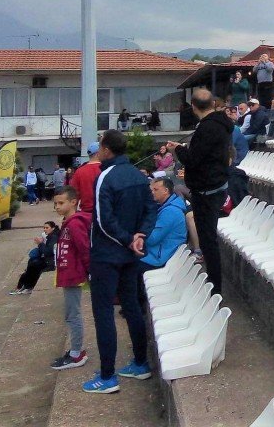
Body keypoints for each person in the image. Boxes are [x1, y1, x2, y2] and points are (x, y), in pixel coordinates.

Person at [81, 130, 157, 393]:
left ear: (106, 149)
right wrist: (141, 236)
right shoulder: (138, 175)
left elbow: (103, 220)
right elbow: (150, 209)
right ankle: (140, 363)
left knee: (103, 312)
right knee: (132, 305)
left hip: (107, 255)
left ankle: (107, 376)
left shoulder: (105, 177)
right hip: (131, 254)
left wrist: (128, 239)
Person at [169, 89, 233, 296]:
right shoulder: (222, 124)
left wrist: (177, 150)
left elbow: (193, 160)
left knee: (207, 240)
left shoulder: (207, 128)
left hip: (206, 191)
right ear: (213, 104)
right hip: (215, 186)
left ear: (194, 107)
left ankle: (215, 289)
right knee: (207, 239)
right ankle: (214, 284)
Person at [50, 186, 91, 370]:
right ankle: (75, 350)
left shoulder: (74, 224)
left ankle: (76, 353)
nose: (57, 207)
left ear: (73, 202)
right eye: (55, 203)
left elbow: (84, 249)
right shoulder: (68, 223)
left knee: (72, 314)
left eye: (61, 203)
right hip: (69, 273)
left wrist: (89, 271)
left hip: (73, 274)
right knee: (70, 313)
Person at [139, 178, 188, 274]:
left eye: (155, 190)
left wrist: (138, 228)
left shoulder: (170, 212)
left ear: (166, 191)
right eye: (151, 190)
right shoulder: (168, 206)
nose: (152, 193)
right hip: (161, 253)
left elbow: (152, 239)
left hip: (158, 258)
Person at [9, 221, 59, 295]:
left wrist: (40, 243)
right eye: (44, 228)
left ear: (53, 228)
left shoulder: (53, 237)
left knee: (34, 264)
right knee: (32, 261)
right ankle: (24, 286)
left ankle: (27, 286)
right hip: (48, 259)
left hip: (51, 262)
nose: (45, 229)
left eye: (47, 228)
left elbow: (48, 251)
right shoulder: (49, 236)